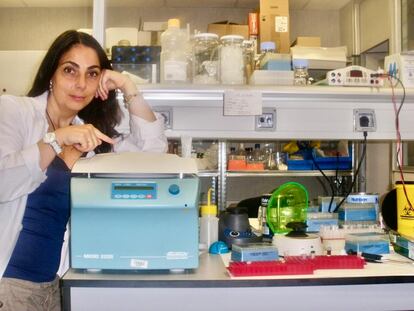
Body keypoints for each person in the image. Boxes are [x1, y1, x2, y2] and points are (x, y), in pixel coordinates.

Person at [0, 30, 167, 310]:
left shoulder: (90, 139)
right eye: (69, 70)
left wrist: (128, 86)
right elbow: (3, 182)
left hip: (53, 286)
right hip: (9, 286)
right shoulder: (14, 111)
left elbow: (153, 151)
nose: (80, 84)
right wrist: (56, 139)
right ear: (51, 74)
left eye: (92, 74)